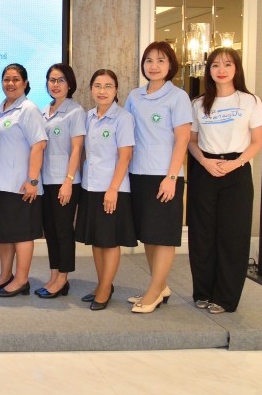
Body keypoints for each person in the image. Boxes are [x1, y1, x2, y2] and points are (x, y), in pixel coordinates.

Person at [187, 48, 262, 314]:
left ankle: (225, 297)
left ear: (236, 69)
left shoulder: (250, 101)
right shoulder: (198, 103)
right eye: (215, 65)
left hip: (237, 171)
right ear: (208, 70)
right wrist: (204, 161)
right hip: (205, 170)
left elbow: (257, 141)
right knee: (202, 235)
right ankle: (203, 292)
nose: (221, 70)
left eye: (227, 64)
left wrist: (235, 163)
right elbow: (191, 141)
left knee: (233, 236)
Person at [124, 42, 192, 313]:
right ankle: (159, 285)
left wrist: (171, 177)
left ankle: (154, 291)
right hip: (138, 173)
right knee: (149, 235)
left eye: (161, 60)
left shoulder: (178, 97)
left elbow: (183, 139)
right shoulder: (134, 95)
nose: (154, 66)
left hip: (165, 175)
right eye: (149, 60)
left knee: (163, 236)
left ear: (170, 65)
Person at [75, 69, 137, 310]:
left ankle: (104, 290)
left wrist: (112, 189)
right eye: (98, 86)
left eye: (108, 86)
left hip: (112, 188)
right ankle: (103, 284)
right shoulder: (88, 116)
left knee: (110, 241)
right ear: (91, 89)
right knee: (97, 240)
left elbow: (125, 156)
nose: (102, 91)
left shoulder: (123, 118)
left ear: (116, 90)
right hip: (90, 186)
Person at [0, 63, 48, 298]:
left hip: (22, 185)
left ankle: (22, 280)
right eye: (6, 79)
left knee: (22, 234)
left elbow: (39, 145)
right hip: (0, 184)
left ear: (25, 83)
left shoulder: (29, 109)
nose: (10, 83)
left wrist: (32, 180)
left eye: (15, 79)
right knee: (5, 234)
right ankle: (5, 275)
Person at [35, 64, 85, 299]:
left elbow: (77, 149)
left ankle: (63, 278)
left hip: (65, 182)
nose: (55, 84)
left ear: (70, 84)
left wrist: (68, 181)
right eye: (52, 80)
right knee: (51, 230)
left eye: (61, 80)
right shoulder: (44, 111)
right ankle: (54, 274)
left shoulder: (75, 111)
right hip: (46, 180)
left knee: (63, 230)